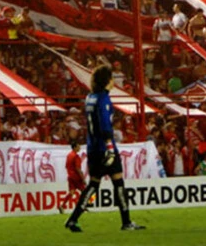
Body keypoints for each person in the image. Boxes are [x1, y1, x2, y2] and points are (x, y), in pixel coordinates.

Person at [64, 65, 144, 233]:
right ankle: (126, 222)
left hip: (92, 148)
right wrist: (109, 146)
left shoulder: (90, 97)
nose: (114, 81)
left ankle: (73, 219)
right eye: (112, 78)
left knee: (93, 185)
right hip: (105, 147)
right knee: (119, 183)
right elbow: (105, 124)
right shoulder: (103, 99)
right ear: (107, 81)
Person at [59, 140, 87, 214]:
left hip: (70, 176)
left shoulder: (69, 155)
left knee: (71, 192)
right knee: (85, 192)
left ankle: (62, 205)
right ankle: (82, 207)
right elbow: (78, 169)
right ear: (74, 147)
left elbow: (66, 166)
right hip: (76, 177)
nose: (80, 147)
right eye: (78, 146)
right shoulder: (76, 156)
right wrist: (83, 179)